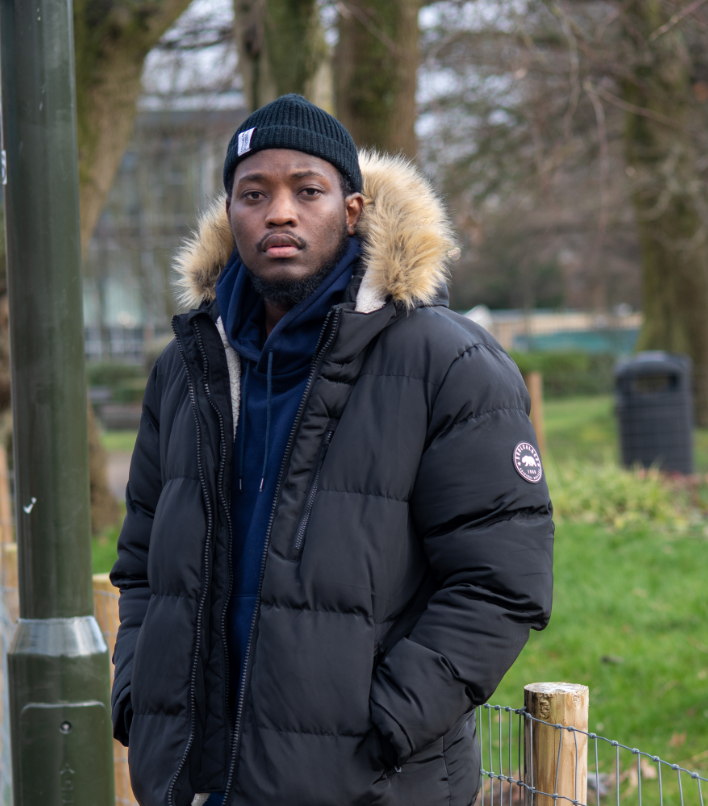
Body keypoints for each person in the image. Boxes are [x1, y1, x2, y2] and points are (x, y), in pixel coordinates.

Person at [110, 94, 554, 806]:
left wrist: (390, 723)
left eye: (307, 190)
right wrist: (139, 695)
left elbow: (501, 580)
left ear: (351, 211)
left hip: (369, 785)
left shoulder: (448, 363)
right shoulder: (187, 368)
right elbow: (140, 565)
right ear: (230, 212)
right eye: (254, 194)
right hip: (195, 784)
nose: (279, 213)